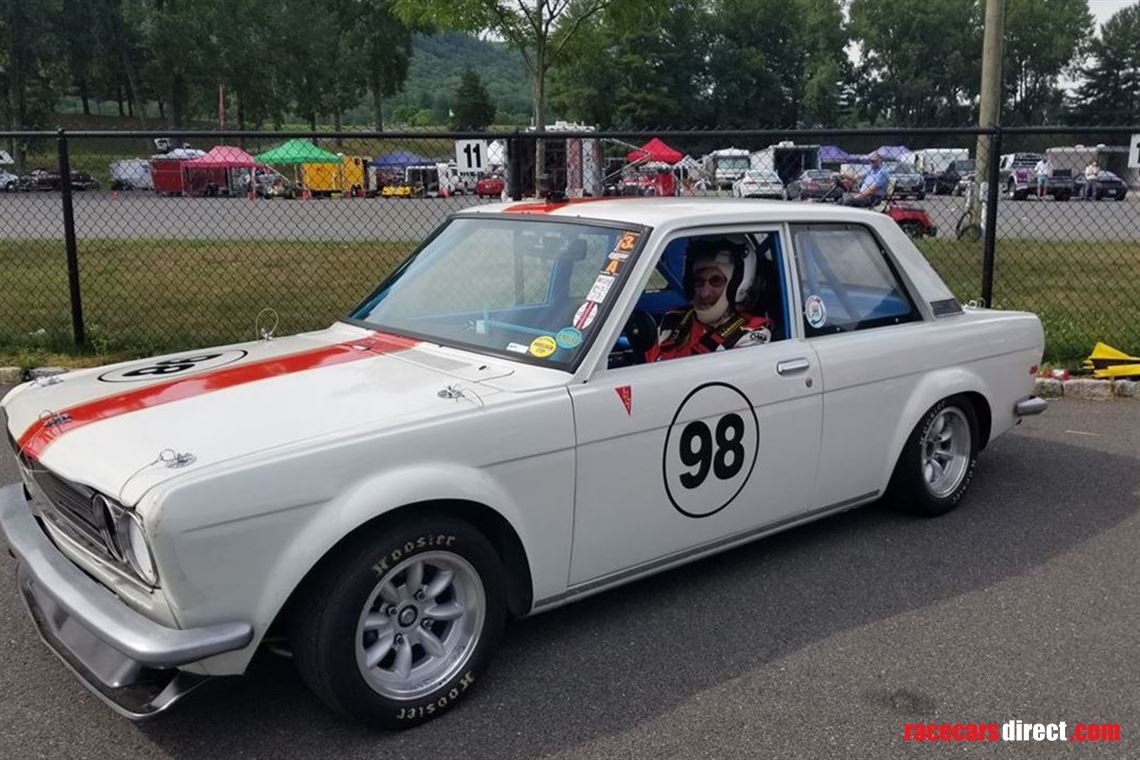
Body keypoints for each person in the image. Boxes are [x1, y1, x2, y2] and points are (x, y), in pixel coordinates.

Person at [646, 243, 772, 362]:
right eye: (698, 282)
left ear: (736, 286)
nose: (704, 293)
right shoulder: (673, 320)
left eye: (716, 281)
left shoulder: (750, 333)